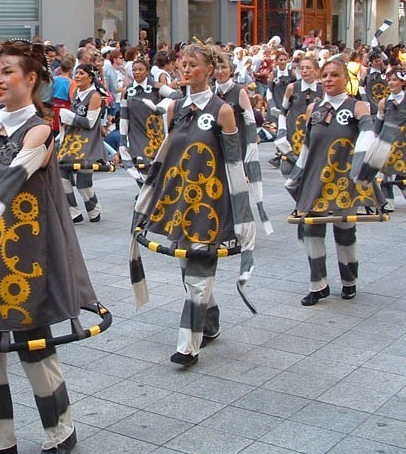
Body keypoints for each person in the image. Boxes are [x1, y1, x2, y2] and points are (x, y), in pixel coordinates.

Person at [0, 38, 96, 454]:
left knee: (35, 348)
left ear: (32, 79)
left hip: (25, 261)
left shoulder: (40, 129)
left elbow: (12, 180)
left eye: (8, 71)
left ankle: (61, 429)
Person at [129, 41, 256, 367]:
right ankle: (210, 321)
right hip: (179, 201)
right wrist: (147, 201)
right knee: (188, 271)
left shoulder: (222, 110)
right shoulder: (174, 108)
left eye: (192, 65)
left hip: (211, 205)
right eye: (182, 64)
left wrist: (243, 215)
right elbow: (165, 159)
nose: (184, 69)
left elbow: (233, 164)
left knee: (198, 275)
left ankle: (188, 346)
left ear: (210, 71)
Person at [285, 59, 380, 306]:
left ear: (345, 79)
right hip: (316, 178)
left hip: (344, 180)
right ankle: (318, 285)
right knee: (312, 231)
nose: (328, 79)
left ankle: (349, 281)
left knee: (345, 231)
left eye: (334, 74)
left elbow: (368, 134)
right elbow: (307, 146)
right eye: (325, 75)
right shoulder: (313, 109)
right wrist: (296, 177)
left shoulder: (358, 106)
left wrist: (364, 166)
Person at [214, 53, 271, 232]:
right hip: (216, 147)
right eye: (217, 67)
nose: (220, 71)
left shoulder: (238, 91)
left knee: (237, 189)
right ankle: (223, 227)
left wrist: (250, 149)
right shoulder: (211, 91)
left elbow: (250, 121)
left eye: (224, 67)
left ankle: (241, 228)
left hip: (235, 148)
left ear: (231, 70)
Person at [119, 57, 177, 187]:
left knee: (154, 166)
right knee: (140, 164)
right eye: (134, 70)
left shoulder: (156, 87)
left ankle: (149, 193)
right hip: (136, 132)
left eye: (140, 69)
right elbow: (124, 117)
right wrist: (122, 140)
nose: (137, 72)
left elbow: (175, 95)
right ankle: (144, 193)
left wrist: (160, 107)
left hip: (154, 131)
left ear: (147, 71)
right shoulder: (128, 91)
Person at [57, 63, 104, 223]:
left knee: (84, 182)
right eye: (76, 73)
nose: (77, 76)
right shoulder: (77, 92)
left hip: (87, 143)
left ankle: (94, 210)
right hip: (71, 141)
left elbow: (90, 122)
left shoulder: (95, 96)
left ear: (90, 77)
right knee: (61, 175)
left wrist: (68, 116)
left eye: (81, 73)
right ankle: (73, 211)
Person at [374, 67, 406, 210]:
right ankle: (387, 202)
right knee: (385, 174)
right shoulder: (384, 102)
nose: (391, 83)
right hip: (386, 143)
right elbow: (378, 124)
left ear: (402, 82)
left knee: (403, 175)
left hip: (403, 145)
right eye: (389, 80)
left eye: (394, 80)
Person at [275, 57, 323, 178]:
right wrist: (282, 132)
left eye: (308, 68)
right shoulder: (292, 88)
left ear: (316, 70)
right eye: (302, 68)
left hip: (313, 134)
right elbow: (283, 111)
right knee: (289, 171)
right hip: (294, 133)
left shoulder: (322, 90)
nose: (305, 71)